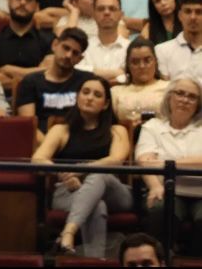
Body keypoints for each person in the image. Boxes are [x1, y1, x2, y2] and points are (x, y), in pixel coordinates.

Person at [32, 75, 131, 256]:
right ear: (77, 97)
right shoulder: (61, 130)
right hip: (68, 191)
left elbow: (115, 160)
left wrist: (78, 171)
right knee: (97, 206)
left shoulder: (117, 130)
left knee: (98, 174)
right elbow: (38, 159)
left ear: (106, 104)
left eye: (97, 95)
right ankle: (95, 261)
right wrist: (62, 173)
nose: (89, 97)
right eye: (85, 92)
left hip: (114, 192)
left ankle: (68, 232)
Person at [135, 76, 202, 256]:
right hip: (167, 189)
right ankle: (162, 258)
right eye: (179, 93)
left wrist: (167, 163)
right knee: (158, 208)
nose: (184, 100)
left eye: (192, 96)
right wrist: (155, 186)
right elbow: (145, 161)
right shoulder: (152, 126)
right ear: (169, 97)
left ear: (198, 103)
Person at [16, 28, 92, 137]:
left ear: (80, 59)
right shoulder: (30, 81)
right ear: (55, 45)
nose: (68, 55)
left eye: (75, 53)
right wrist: (50, 147)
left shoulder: (87, 81)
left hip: (78, 144)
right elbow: (29, 126)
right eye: (66, 48)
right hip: (40, 144)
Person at [110, 40, 168, 122]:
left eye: (147, 60)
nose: (142, 66)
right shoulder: (115, 92)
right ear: (128, 65)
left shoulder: (169, 88)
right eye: (135, 62)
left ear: (155, 61)